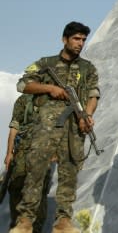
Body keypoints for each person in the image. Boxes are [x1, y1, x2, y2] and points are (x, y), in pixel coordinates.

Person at [10, 21, 99, 233]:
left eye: (83, 40)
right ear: (64, 39)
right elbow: (22, 84)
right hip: (46, 128)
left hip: (73, 128)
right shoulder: (45, 63)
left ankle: (63, 221)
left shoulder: (88, 68)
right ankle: (25, 221)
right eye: (76, 39)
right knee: (36, 173)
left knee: (70, 174)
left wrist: (86, 115)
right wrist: (49, 88)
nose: (80, 44)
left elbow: (93, 94)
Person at [3, 94, 54, 233]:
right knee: (16, 189)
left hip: (41, 155)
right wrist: (9, 153)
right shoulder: (23, 100)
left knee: (40, 194)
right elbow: (14, 127)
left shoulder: (52, 99)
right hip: (21, 154)